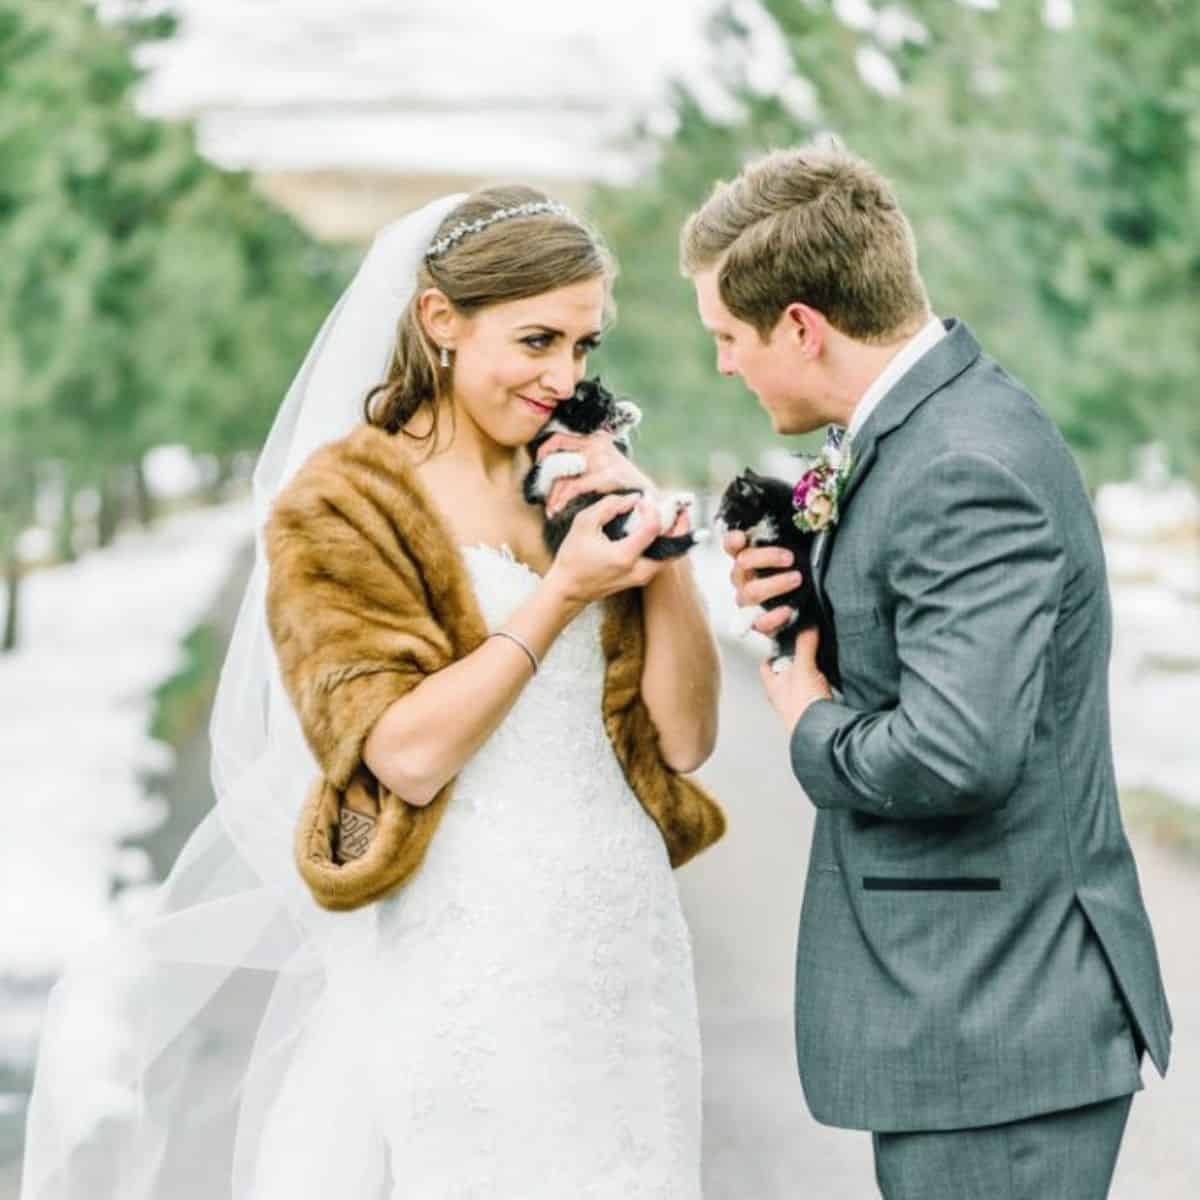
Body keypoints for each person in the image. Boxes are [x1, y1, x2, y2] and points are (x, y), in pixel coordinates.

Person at [20, 187, 724, 1199]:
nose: (565, 377)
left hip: (623, 935)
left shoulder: (574, 482)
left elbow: (689, 739)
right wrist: (563, 592)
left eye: (583, 346)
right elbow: (401, 751)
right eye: (536, 341)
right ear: (440, 321)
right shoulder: (342, 505)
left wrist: (663, 554)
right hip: (464, 935)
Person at [683, 142, 1172, 1199]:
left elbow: (957, 752)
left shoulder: (959, 462)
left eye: (728, 336)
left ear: (802, 326)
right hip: (983, 1019)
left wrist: (809, 714)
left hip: (1001, 1019)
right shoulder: (927, 431)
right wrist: (812, 590)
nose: (724, 362)